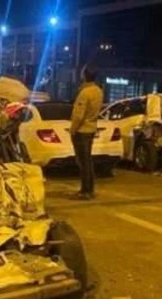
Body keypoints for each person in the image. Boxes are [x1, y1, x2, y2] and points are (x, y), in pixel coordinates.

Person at [69, 64, 104, 200]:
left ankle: (85, 191)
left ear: (84, 75)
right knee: (88, 161)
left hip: (82, 131)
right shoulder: (98, 91)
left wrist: (73, 130)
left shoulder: (85, 93)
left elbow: (79, 115)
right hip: (91, 129)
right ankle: (90, 189)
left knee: (83, 162)